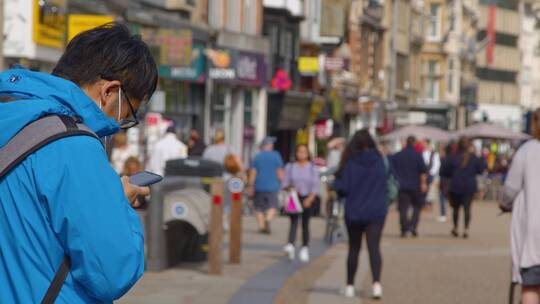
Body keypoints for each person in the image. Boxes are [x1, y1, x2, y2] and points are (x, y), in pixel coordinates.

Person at [0, 23, 157, 303]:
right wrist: (118, 203)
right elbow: (113, 272)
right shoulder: (73, 146)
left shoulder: (10, 115)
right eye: (128, 112)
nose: (121, 124)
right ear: (109, 92)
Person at [333, 130, 388, 300]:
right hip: (377, 211)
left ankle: (350, 285)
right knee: (374, 248)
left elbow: (342, 187)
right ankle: (376, 284)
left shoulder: (350, 162)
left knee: (354, 249)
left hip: (355, 211)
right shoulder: (380, 161)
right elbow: (390, 180)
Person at [501, 108, 540, 304]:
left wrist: (504, 204)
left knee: (531, 286)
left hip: (534, 229)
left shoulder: (527, 150)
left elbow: (510, 189)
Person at [440, 138, 486, 238]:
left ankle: (455, 228)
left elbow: (444, 172)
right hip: (469, 187)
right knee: (467, 209)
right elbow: (481, 169)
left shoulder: (452, 157)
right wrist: (480, 155)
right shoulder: (474, 158)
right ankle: (466, 229)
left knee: (456, 209)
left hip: (455, 186)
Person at [282, 144, 320, 262]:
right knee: (293, 221)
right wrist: (289, 189)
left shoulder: (312, 168)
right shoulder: (291, 166)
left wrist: (310, 198)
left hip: (307, 197)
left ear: (308, 153)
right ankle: (291, 244)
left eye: (304, 152)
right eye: (299, 152)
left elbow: (315, 185)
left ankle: (304, 247)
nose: (302, 154)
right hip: (294, 196)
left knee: (305, 223)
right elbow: (285, 182)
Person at [391, 136, 428, 237]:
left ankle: (404, 228)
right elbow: (423, 171)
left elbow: (391, 170)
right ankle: (412, 226)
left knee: (403, 208)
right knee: (417, 207)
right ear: (414, 143)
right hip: (415, 185)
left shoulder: (398, 155)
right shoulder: (417, 155)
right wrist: (423, 183)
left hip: (402, 185)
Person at [248, 137, 284, 234]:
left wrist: (250, 185)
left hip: (259, 185)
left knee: (258, 207)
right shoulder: (276, 156)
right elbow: (279, 172)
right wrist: (283, 182)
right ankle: (268, 220)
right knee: (272, 206)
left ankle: (261, 226)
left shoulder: (257, 156)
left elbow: (253, 172)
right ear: (269, 145)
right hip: (273, 186)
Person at [422, 139, 441, 207]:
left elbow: (437, 164)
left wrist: (431, 172)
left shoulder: (435, 153)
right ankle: (424, 202)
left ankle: (429, 203)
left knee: (430, 188)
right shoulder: (422, 153)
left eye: (425, 143)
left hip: (431, 173)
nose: (424, 145)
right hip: (424, 173)